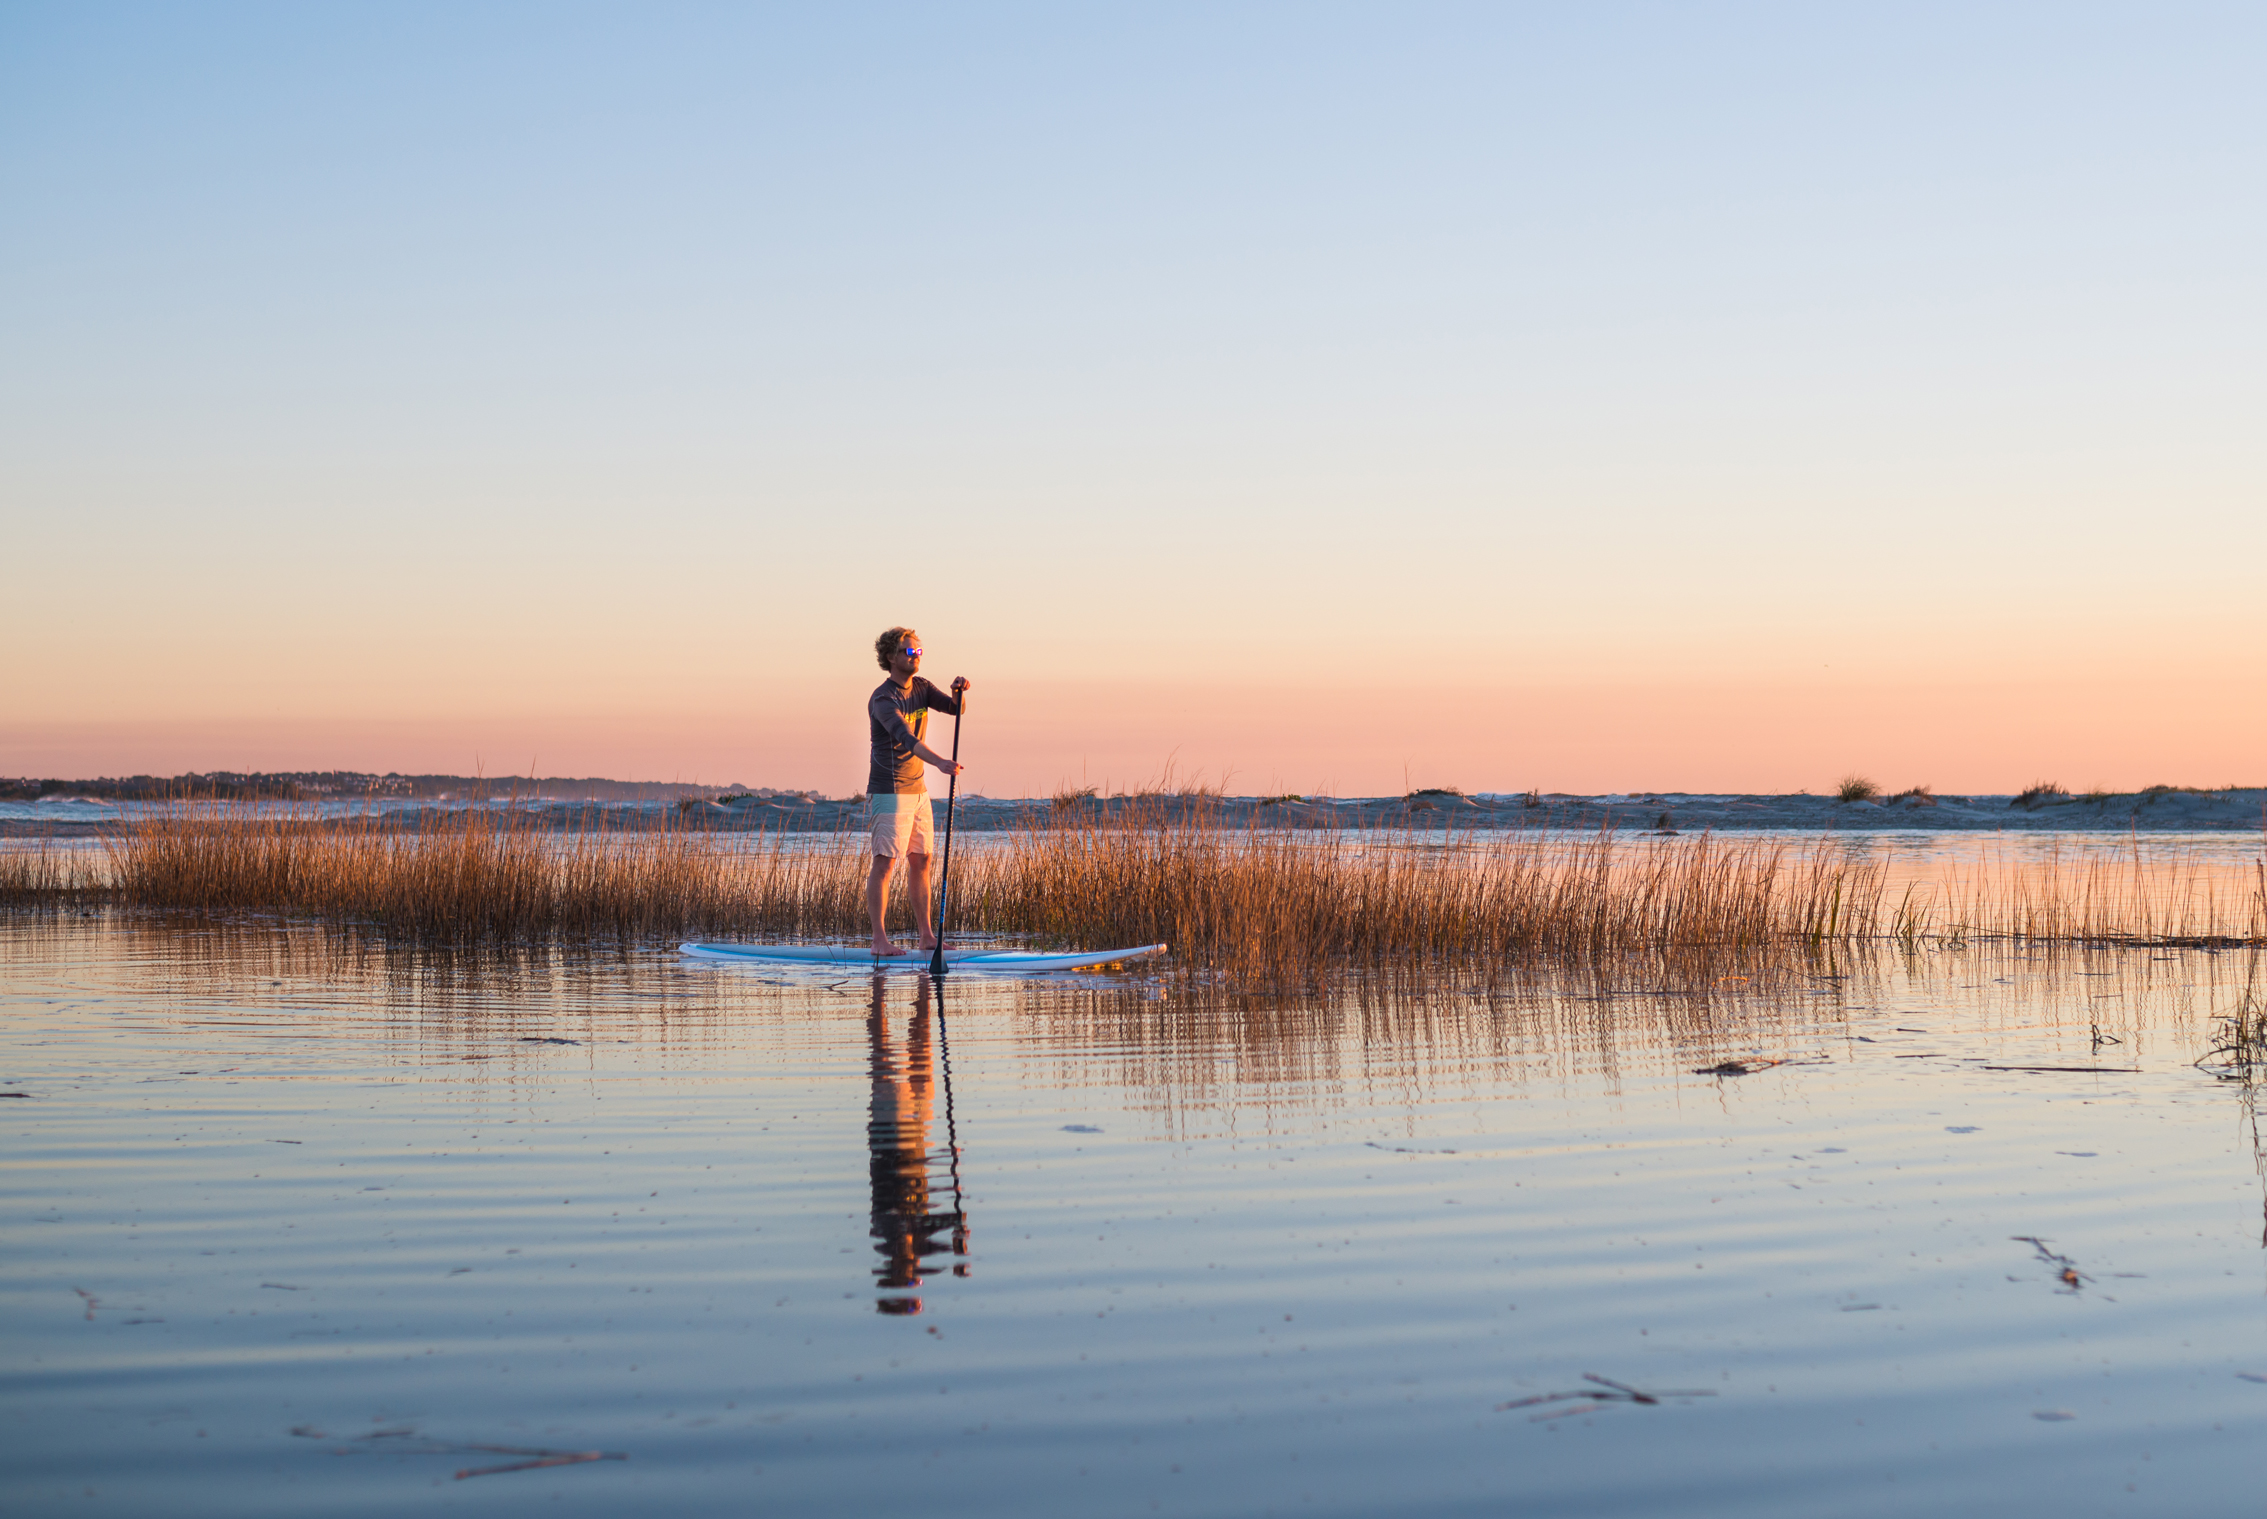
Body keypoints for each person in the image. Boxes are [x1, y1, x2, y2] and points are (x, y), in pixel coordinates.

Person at [865, 626, 970, 956]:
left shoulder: (922, 687)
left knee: (921, 860)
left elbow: (956, 709)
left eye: (919, 651)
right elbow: (907, 739)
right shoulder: (883, 699)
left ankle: (927, 936)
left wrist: (958, 692)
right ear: (891, 657)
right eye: (909, 652)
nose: (916, 657)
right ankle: (879, 940)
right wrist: (940, 762)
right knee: (885, 864)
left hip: (918, 791)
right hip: (890, 791)